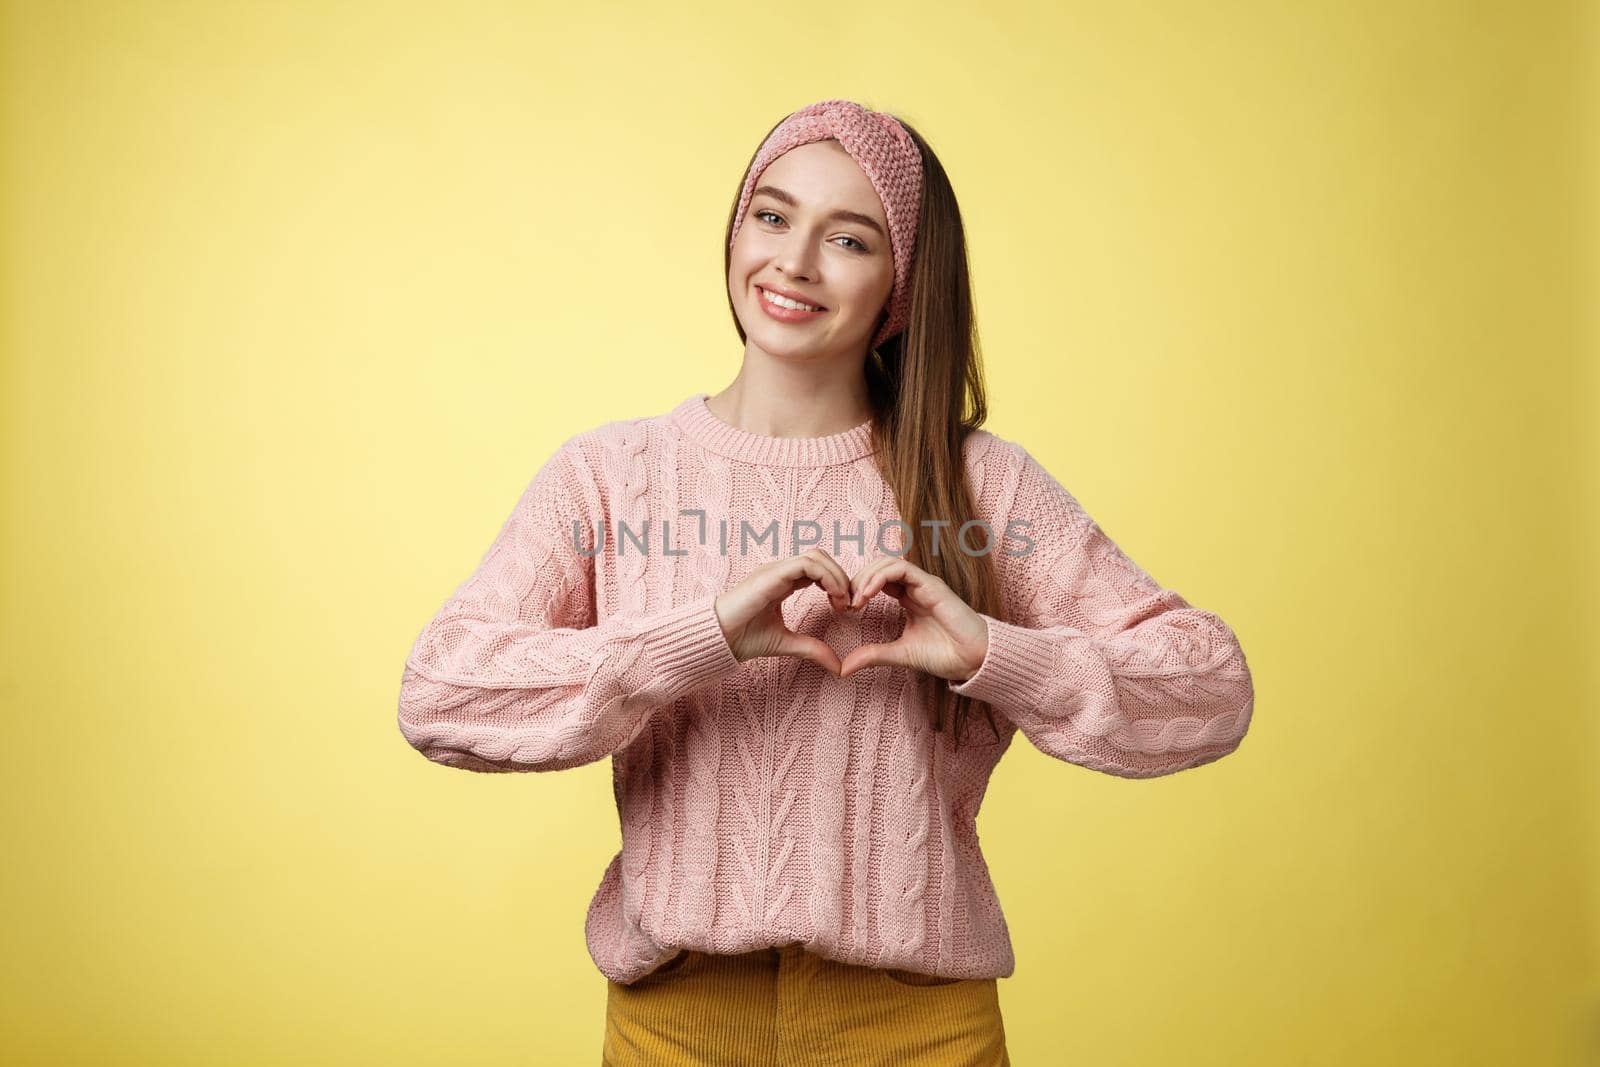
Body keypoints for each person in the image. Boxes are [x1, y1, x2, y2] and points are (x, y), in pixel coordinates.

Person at [396, 98, 1255, 1066]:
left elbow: (1210, 686)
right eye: (771, 215)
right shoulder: (607, 475)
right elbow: (440, 693)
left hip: (916, 1024)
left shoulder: (979, 483)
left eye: (847, 238)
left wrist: (990, 653)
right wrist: (698, 639)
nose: (794, 262)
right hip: (677, 1019)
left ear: (902, 282)